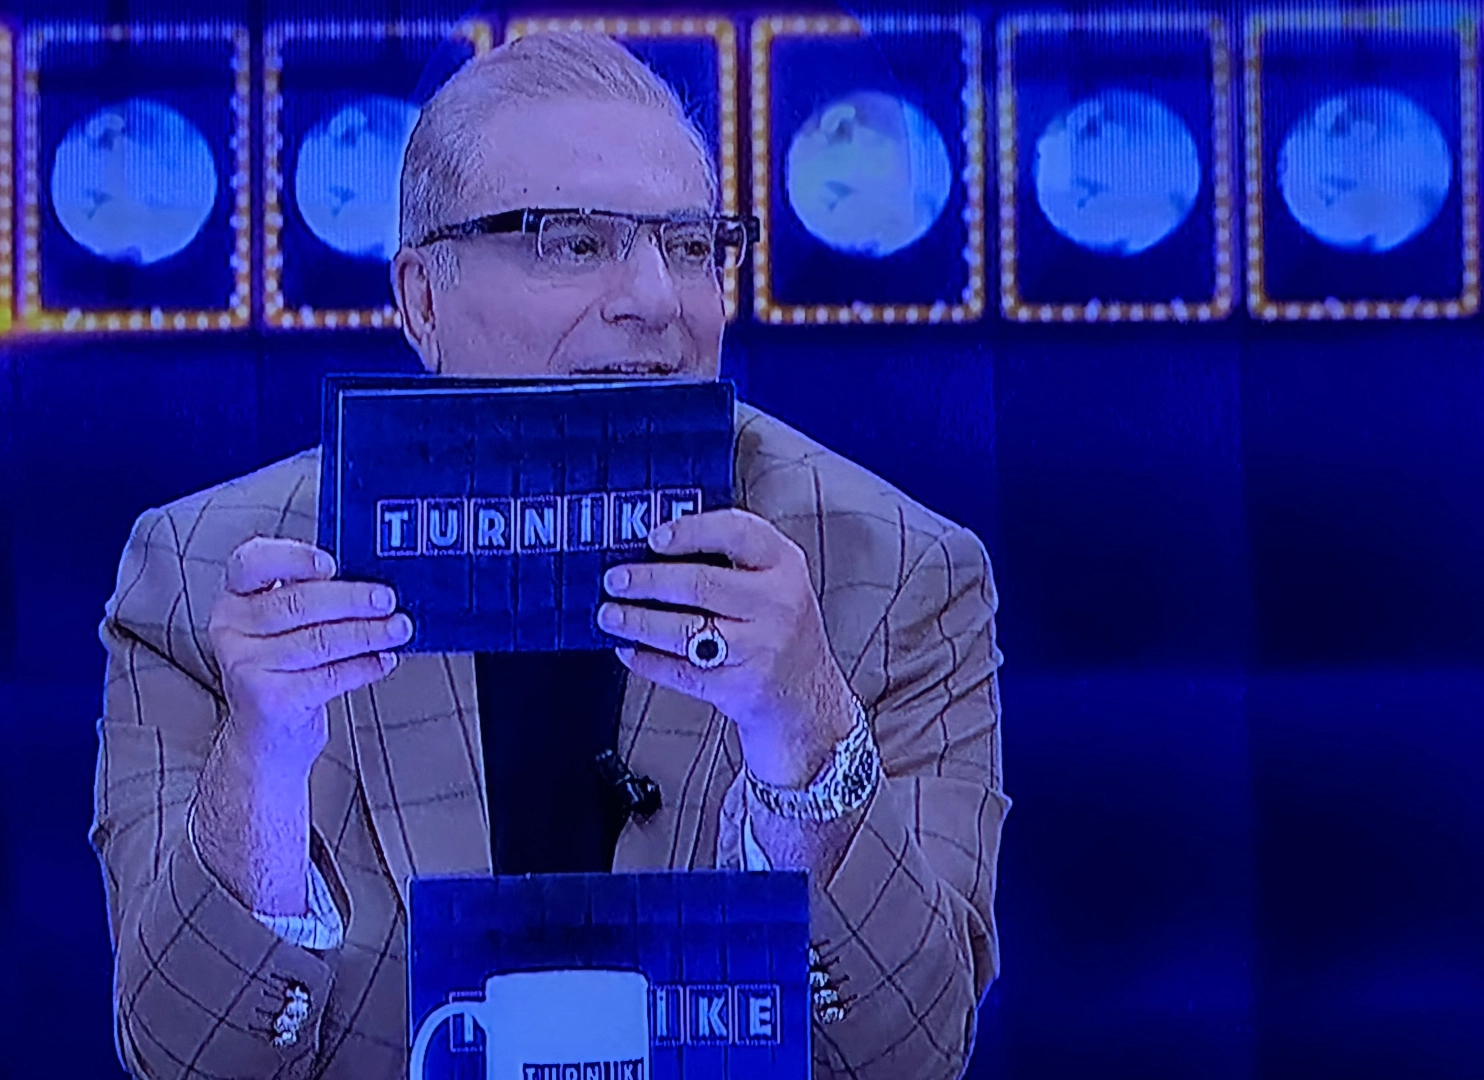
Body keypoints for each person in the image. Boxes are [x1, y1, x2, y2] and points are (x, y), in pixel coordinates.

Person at [92, 31, 1007, 1079]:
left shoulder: (900, 575)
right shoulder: (203, 577)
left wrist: (807, 732)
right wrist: (263, 761)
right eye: (575, 243)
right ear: (422, 300)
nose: (657, 298)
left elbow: (909, 1052)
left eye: (692, 247)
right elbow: (188, 1057)